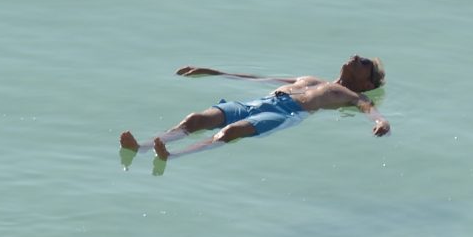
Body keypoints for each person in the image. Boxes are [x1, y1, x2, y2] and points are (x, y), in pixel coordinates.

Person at [119, 54, 389, 159]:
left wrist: (380, 122)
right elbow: (262, 80)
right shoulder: (309, 78)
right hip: (260, 102)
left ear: (366, 83)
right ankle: (141, 147)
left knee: (231, 132)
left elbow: (368, 108)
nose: (356, 57)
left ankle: (172, 155)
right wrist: (213, 71)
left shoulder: (349, 95)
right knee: (195, 119)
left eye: (364, 63)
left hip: (284, 113)